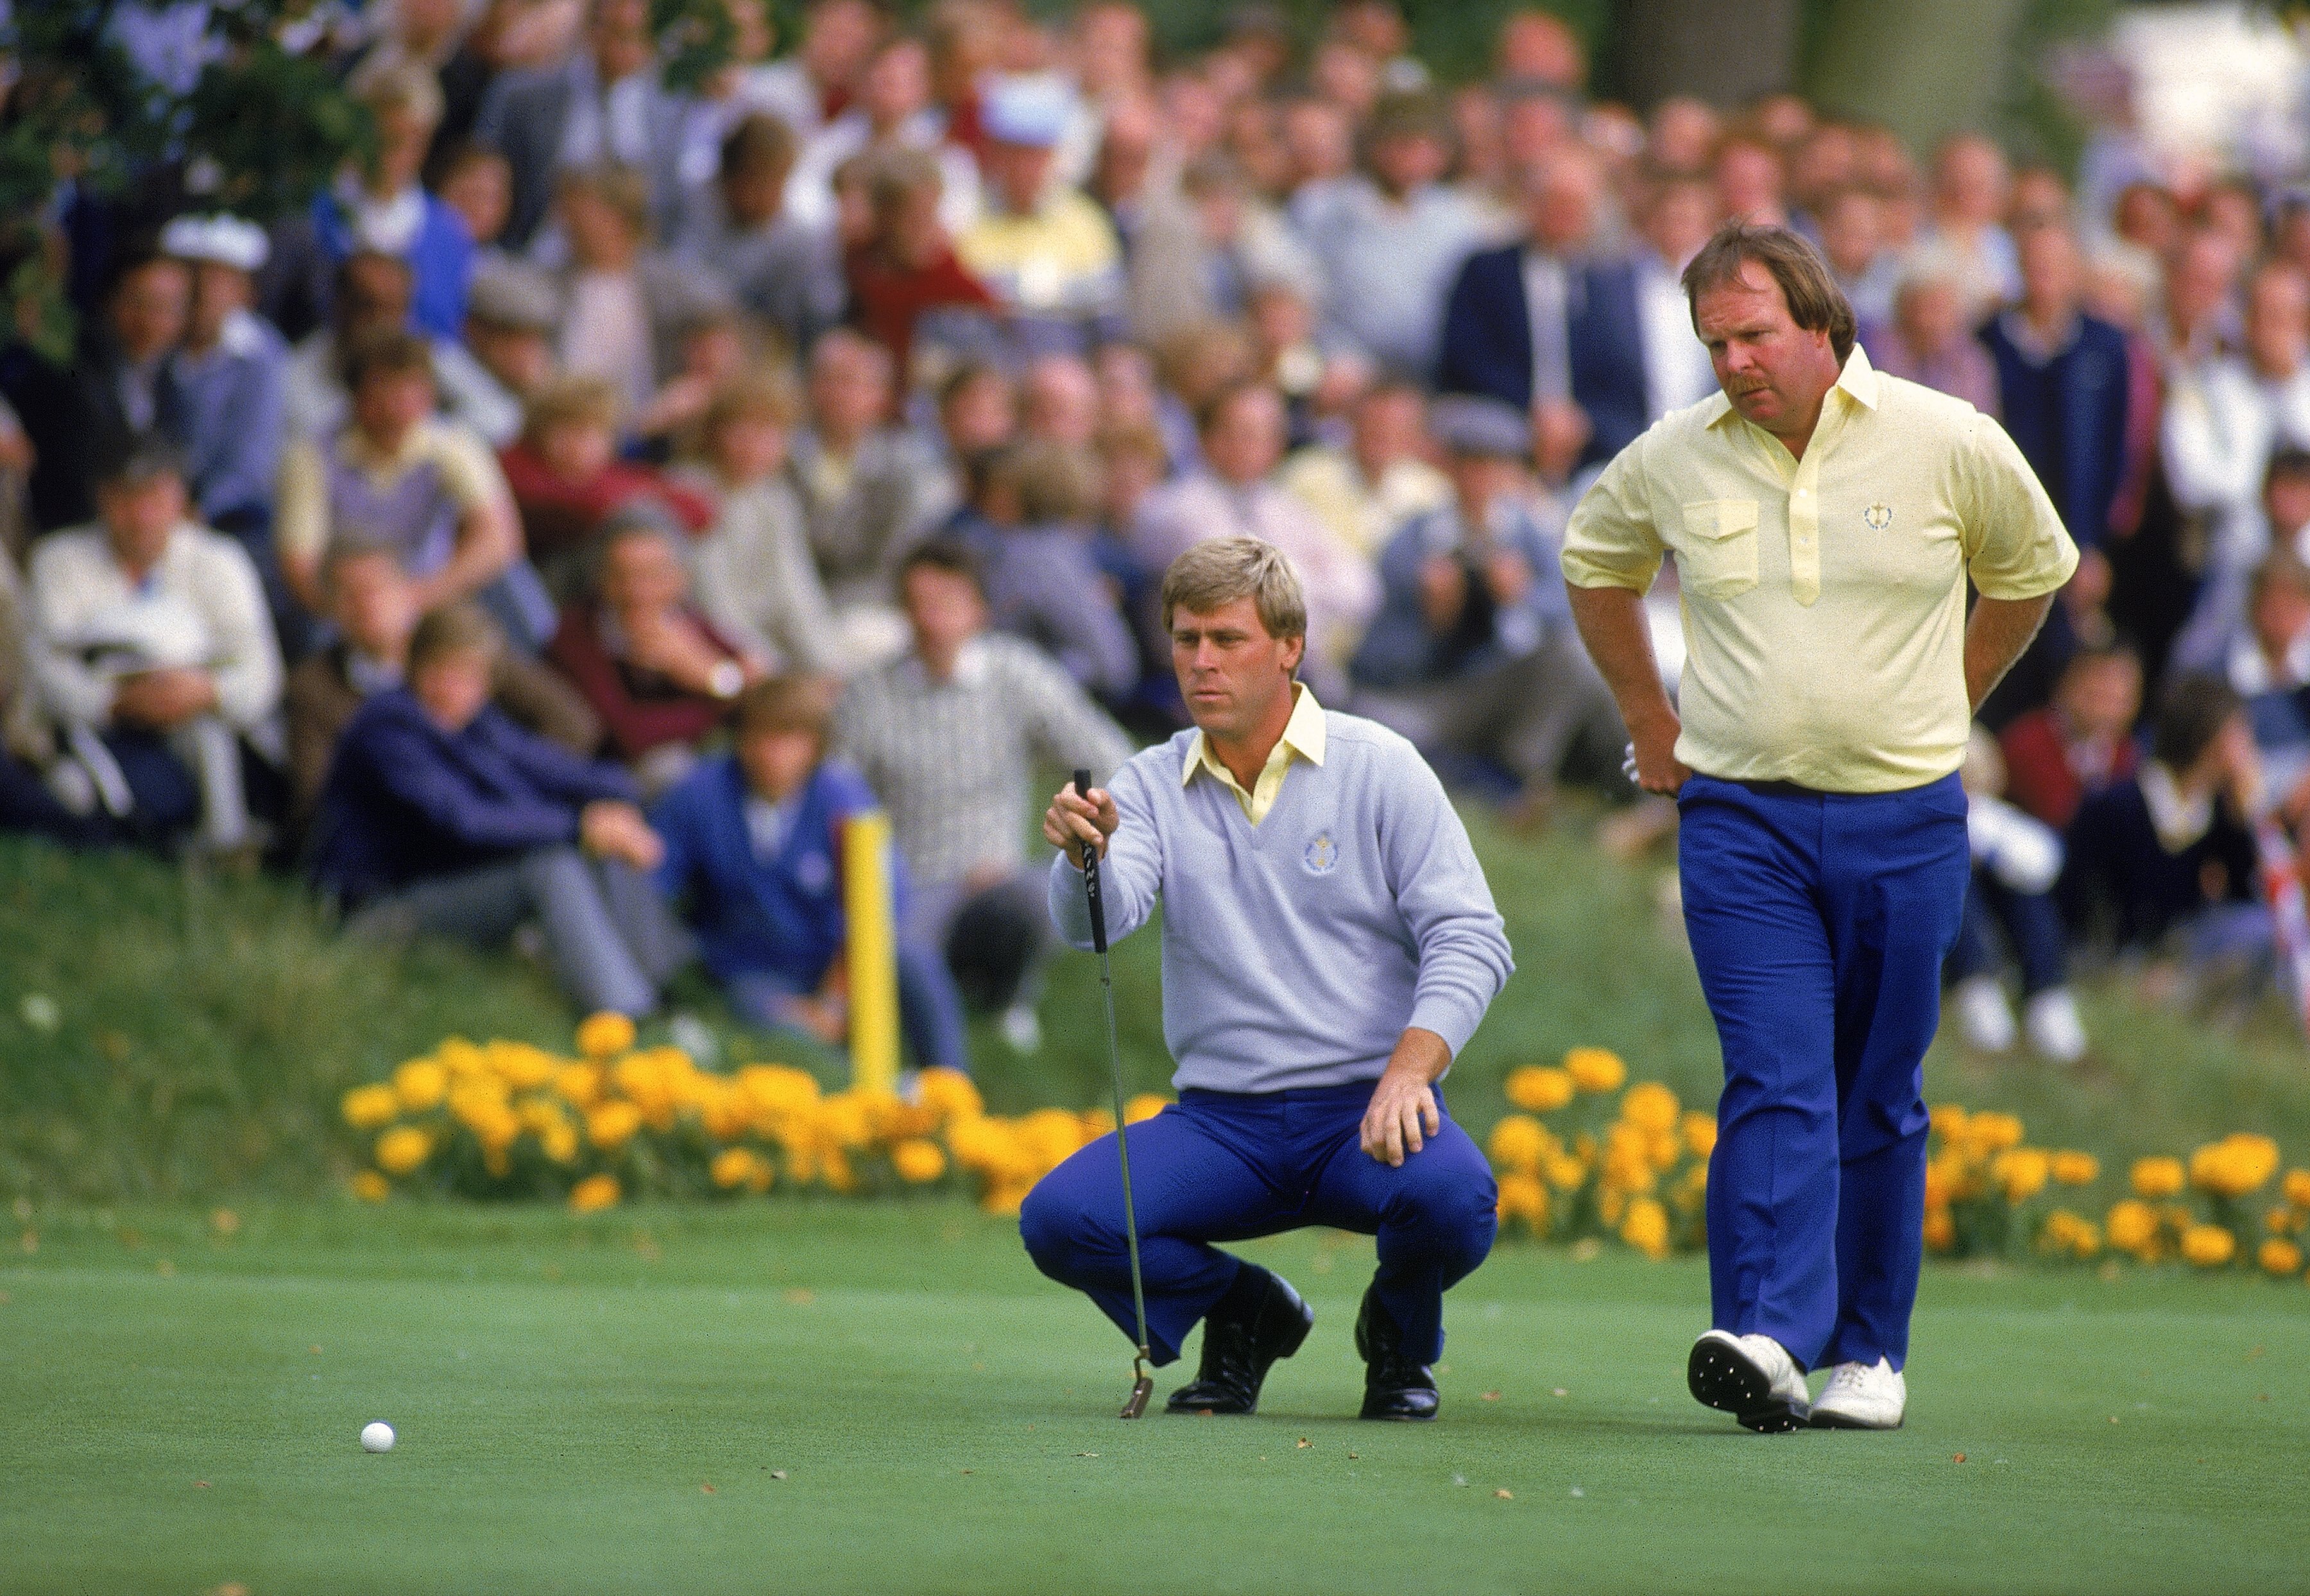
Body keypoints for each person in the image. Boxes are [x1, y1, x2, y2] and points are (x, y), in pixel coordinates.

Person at [1561, 222, 2076, 1432]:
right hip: (1742, 818)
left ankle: (1868, 1353)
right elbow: (1597, 562)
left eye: (1753, 335)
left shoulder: (1946, 436)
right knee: (1775, 1072)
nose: (1733, 361)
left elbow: (2034, 568)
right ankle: (1766, 1334)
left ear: (1822, 324)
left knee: (1878, 1088)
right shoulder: (1676, 455)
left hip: (1908, 816)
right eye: (1713, 342)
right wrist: (1649, 711)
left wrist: (1956, 692)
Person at [1025, 535, 1512, 1421]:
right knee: (1061, 1220)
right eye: (1184, 639)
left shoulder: (1381, 764)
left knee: (1453, 1199)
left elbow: (1471, 935)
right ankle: (1244, 1308)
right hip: (1224, 1122)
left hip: (1362, 1111)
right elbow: (1097, 919)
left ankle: (1399, 1336)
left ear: (1290, 645)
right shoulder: (1151, 778)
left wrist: (1409, 1071)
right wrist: (1079, 854)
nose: (1200, 662)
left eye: (1226, 638)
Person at [313, 601, 685, 1019]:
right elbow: (465, 820)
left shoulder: (476, 722)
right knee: (551, 863)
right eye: (442, 670)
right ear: (414, 667)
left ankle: (662, 988)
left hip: (446, 886)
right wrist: (583, 825)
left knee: (594, 837)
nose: (454, 687)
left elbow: (551, 769)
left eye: (470, 676)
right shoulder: (387, 729)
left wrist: (618, 800)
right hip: (375, 911)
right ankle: (628, 1015)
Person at [835, 539, 1133, 1049]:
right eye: (918, 603)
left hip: (993, 872)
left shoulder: (1014, 673)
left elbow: (1107, 755)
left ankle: (1005, 998)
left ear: (978, 610)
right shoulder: (868, 692)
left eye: (947, 603)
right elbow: (835, 794)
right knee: (899, 963)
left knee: (1044, 893)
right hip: (906, 879)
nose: (931, 619)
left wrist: (1069, 827)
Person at [651, 673, 971, 1074]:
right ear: (741, 739)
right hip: (750, 968)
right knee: (759, 1011)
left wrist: (837, 996)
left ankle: (952, 1089)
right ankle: (855, 1093)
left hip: (837, 958)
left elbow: (884, 901)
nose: (773, 754)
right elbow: (654, 877)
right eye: (762, 737)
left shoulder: (842, 796)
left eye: (790, 741)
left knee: (915, 960)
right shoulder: (702, 792)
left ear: (815, 747)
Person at [1351, 395, 1623, 821]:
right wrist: (1430, 618)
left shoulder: (1530, 537)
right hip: (1434, 697)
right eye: (1471, 464)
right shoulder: (1413, 539)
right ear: (1452, 469)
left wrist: (1520, 598)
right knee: (1374, 723)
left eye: (1495, 466)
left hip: (1502, 691)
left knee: (1575, 660)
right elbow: (1373, 657)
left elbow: (1571, 621)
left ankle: (1516, 773)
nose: (1482, 479)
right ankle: (1483, 779)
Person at [27, 441, 284, 855]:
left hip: (201, 715)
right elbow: (43, 666)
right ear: (102, 498)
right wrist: (113, 702)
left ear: (178, 498)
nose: (141, 516)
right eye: (126, 499)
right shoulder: (60, 559)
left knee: (216, 742)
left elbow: (261, 667)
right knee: (91, 796)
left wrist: (207, 692)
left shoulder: (218, 559)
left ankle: (227, 842)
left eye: (154, 497)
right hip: (103, 723)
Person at [285, 543, 600, 830]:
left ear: (408, 589)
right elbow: (315, 799)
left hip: (502, 809)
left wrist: (510, 787)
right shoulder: (313, 688)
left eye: (378, 589)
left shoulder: (461, 646)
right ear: (328, 607)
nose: (367, 604)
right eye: (349, 593)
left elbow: (570, 723)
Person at [273, 328, 545, 648]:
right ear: (357, 395)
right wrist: (365, 613)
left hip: (429, 594)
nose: (399, 407)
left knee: (508, 595)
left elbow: (499, 539)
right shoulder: (310, 457)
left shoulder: (452, 445)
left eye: (411, 391)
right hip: (344, 608)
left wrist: (415, 597)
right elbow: (301, 567)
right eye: (385, 391)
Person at [1129, 381, 1378, 696]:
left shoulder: (1281, 505)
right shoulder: (1173, 509)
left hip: (1290, 685)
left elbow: (1362, 590)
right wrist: (1308, 580)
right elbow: (1246, 600)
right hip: (1201, 689)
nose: (1255, 444)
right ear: (1208, 438)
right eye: (1241, 431)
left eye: (1266, 433)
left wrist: (1293, 587)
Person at [1434, 147, 1647, 470]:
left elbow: (1623, 380)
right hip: (1501, 430)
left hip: (1584, 446)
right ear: (1531, 203)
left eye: (1575, 205)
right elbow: (1464, 358)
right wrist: (1536, 411)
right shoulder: (1486, 270)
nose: (1564, 213)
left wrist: (1580, 421)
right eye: (1554, 201)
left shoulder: (1609, 284)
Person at [547, 511, 758, 793]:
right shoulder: (576, 635)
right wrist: (717, 687)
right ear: (600, 579)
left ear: (680, 578)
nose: (638, 592)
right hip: (614, 780)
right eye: (622, 576)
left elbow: (756, 676)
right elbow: (627, 735)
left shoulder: (684, 620)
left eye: (652, 575)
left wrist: (721, 680)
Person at [1295, 92, 1487, 382]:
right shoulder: (1322, 205)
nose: (1415, 157)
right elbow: (1301, 296)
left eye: (1428, 146)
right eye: (1404, 143)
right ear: (1376, 143)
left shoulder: (1459, 218)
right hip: (1341, 370)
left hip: (1432, 377)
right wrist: (1332, 358)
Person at [682, 375, 841, 676]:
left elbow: (797, 590)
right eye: (743, 430)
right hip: (712, 648)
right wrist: (771, 668)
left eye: (769, 433)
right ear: (715, 433)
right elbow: (713, 601)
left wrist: (830, 667)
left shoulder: (775, 496)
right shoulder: (691, 491)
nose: (755, 445)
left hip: (767, 644)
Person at [681, 112, 846, 354]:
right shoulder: (692, 210)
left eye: (782, 182)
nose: (777, 197)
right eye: (769, 183)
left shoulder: (800, 241)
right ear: (735, 179)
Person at [1998, 640, 2142, 832]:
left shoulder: (2127, 759)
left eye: (2119, 698)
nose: (2107, 706)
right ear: (2069, 683)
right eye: (2099, 691)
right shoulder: (2027, 740)